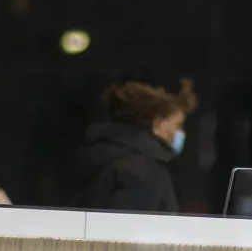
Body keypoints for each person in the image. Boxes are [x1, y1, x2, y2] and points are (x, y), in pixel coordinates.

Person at [75, 70, 197, 213]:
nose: (181, 133)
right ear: (159, 125)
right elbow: (132, 231)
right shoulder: (144, 171)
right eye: (178, 125)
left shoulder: (103, 154)